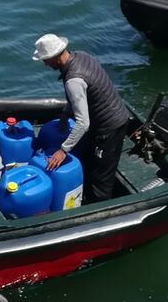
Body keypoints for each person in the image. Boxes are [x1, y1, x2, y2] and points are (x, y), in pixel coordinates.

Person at [32, 34, 129, 204]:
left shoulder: (73, 80)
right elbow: (80, 98)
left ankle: (99, 211)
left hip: (109, 128)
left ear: (55, 57)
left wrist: (63, 151)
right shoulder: (81, 56)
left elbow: (83, 123)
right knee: (91, 162)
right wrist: (65, 115)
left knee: (101, 178)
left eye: (45, 60)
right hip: (113, 115)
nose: (45, 64)